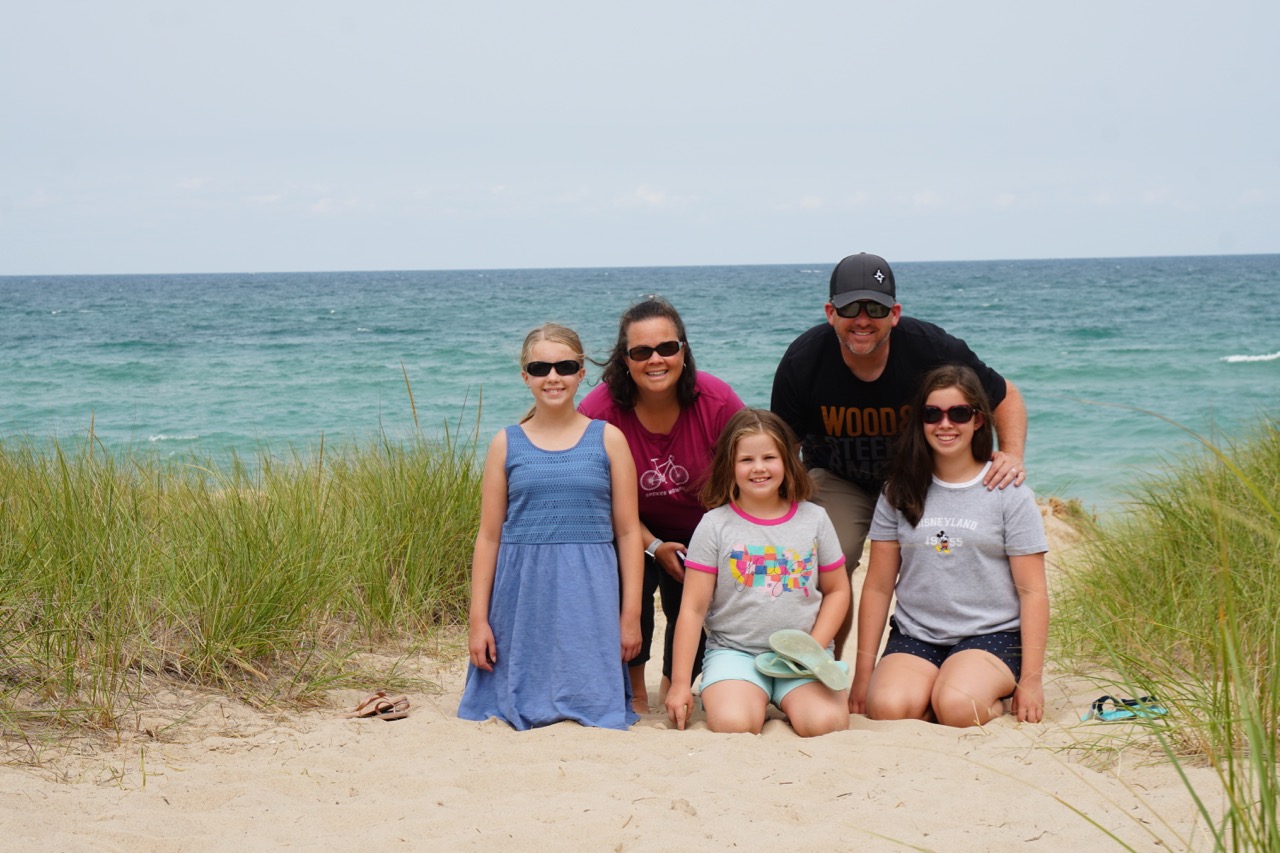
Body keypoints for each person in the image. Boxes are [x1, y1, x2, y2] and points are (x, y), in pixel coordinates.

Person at [771, 252, 1028, 658]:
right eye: (849, 308)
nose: (862, 320)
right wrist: (773, 511)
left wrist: (1011, 455)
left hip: (920, 478)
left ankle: (958, 648)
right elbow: (783, 445)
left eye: (874, 308)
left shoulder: (932, 348)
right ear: (830, 313)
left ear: (894, 314)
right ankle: (822, 665)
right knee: (821, 559)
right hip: (839, 478)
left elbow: (1005, 395)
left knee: (945, 554)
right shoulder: (803, 360)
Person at [458, 323, 644, 730]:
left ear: (582, 373)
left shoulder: (609, 439)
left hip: (589, 591)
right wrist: (478, 621)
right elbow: (488, 536)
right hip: (521, 591)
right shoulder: (505, 443)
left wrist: (631, 615)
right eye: (540, 368)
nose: (553, 377)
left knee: (594, 702)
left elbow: (629, 533)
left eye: (565, 366)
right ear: (525, 376)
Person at [849, 365, 1048, 726]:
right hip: (917, 634)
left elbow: (1032, 591)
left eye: (958, 413)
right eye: (932, 414)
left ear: (978, 420)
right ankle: (936, 689)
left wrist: (1032, 681)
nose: (945, 424)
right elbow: (877, 587)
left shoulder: (1008, 492)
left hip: (991, 635)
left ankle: (966, 692)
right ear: (920, 420)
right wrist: (863, 676)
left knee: (958, 707)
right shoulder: (898, 491)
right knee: (888, 708)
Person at [579, 298, 744, 713]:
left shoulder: (716, 400)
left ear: (683, 351)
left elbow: (749, 469)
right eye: (641, 352)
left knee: (692, 594)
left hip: (704, 528)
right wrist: (653, 546)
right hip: (628, 526)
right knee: (626, 581)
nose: (656, 360)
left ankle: (674, 685)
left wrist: (709, 544)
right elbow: (596, 497)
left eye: (667, 348)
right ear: (625, 359)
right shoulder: (599, 411)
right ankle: (634, 691)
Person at [664, 408, 851, 737]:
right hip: (736, 652)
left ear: (788, 461)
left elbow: (837, 589)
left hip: (803, 655)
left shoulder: (815, 518)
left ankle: (789, 696)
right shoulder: (714, 525)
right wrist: (680, 684)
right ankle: (745, 695)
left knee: (825, 723)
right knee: (734, 724)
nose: (759, 468)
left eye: (769, 457)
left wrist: (813, 648)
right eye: (746, 459)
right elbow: (692, 609)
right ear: (729, 465)